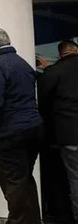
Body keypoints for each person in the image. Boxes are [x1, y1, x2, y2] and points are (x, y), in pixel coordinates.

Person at [0, 28, 43, 224]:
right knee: (24, 181)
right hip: (31, 128)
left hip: (8, 133)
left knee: (14, 184)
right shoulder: (22, 64)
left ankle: (20, 220)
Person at [38, 40, 78, 223]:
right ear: (76, 50)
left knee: (75, 177)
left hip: (68, 132)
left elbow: (43, 102)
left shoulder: (54, 72)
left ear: (60, 54)